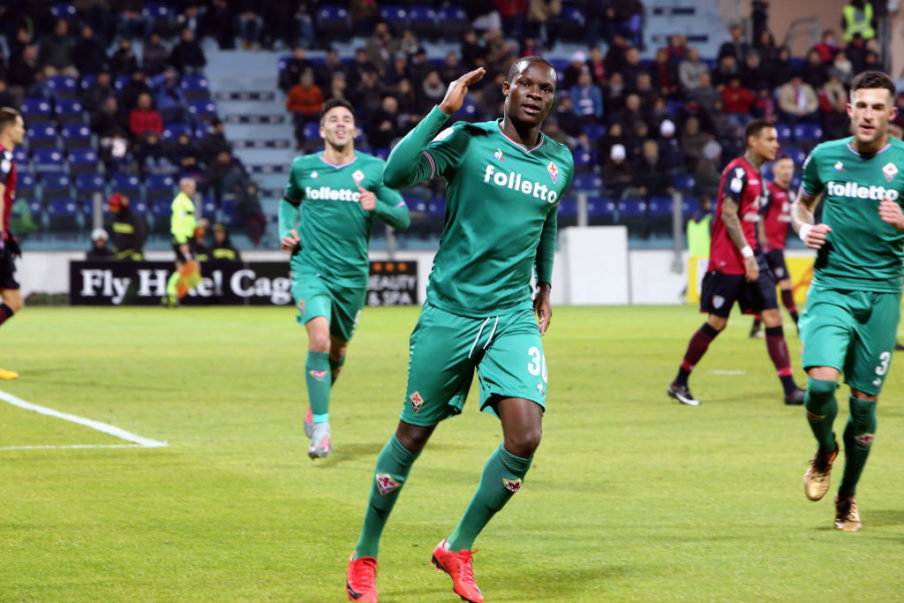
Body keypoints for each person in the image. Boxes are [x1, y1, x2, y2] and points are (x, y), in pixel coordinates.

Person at [345, 57, 574, 603]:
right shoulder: (467, 140)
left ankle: (459, 547)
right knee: (412, 435)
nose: (536, 95)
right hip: (451, 311)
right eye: (527, 85)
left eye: (547, 89)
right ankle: (365, 555)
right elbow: (394, 174)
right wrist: (439, 112)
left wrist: (544, 282)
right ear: (507, 88)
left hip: (512, 317)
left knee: (526, 436)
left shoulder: (559, 161)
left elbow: (548, 219)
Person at [792, 71, 904, 531]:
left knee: (862, 407)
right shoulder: (825, 157)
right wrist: (804, 228)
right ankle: (824, 449)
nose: (868, 114)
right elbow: (801, 204)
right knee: (820, 387)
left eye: (878, 107)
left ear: (891, 113)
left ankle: (848, 495)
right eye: (862, 105)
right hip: (832, 288)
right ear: (849, 108)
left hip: (882, 296)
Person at [279, 98, 410, 461]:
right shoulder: (304, 167)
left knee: (336, 351)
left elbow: (403, 217)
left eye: (346, 120)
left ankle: (315, 406)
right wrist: (285, 232)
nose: (340, 124)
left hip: (351, 276)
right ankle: (322, 429)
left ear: (354, 130)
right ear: (322, 130)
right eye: (333, 119)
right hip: (310, 268)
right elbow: (288, 202)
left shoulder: (373, 169)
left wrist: (377, 206)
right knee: (319, 339)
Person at [667, 119, 806, 407]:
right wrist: (747, 255)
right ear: (753, 141)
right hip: (729, 261)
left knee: (773, 317)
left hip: (754, 259)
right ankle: (679, 381)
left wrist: (758, 254)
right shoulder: (737, 171)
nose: (776, 145)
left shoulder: (759, 177)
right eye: (769, 139)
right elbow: (729, 215)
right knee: (717, 322)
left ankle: (790, 389)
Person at [750, 155, 800, 337]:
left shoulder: (792, 193)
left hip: (779, 244)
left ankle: (755, 328)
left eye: (790, 167)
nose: (787, 171)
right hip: (770, 246)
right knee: (785, 284)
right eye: (783, 167)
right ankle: (799, 325)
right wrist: (762, 240)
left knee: (769, 287)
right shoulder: (770, 190)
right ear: (775, 171)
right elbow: (760, 215)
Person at [0, 107, 26, 380]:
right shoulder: (2, 157)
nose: (23, 130)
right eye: (20, 125)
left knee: (13, 300)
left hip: (3, 235)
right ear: (8, 129)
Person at [164, 177, 203, 307]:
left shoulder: (186, 201)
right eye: (190, 187)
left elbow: (187, 222)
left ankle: (171, 295)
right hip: (182, 239)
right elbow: (178, 223)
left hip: (186, 238)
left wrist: (197, 226)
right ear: (183, 187)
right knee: (189, 268)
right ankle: (171, 294)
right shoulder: (180, 202)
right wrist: (182, 243)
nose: (193, 189)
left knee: (184, 268)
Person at [108, 193, 146, 261]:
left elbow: (140, 237)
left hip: (133, 256)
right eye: (112, 209)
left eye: (115, 208)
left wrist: (136, 252)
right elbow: (114, 236)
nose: (113, 211)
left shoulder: (134, 219)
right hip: (119, 256)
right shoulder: (115, 220)